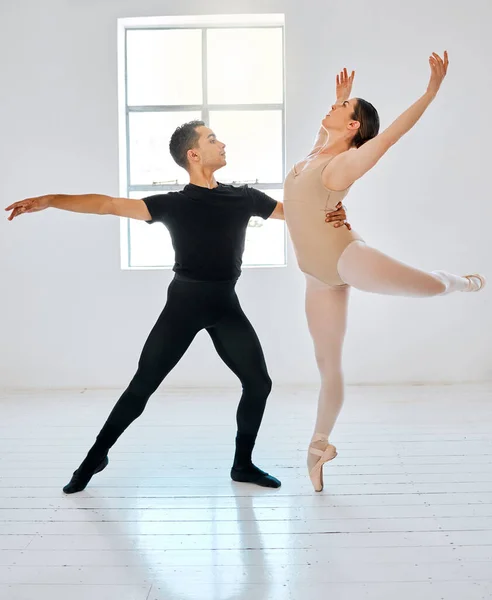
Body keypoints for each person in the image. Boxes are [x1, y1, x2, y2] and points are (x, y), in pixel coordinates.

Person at [5, 120, 349, 494]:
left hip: (225, 305)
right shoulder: (171, 204)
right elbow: (105, 205)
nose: (222, 143)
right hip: (184, 305)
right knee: (142, 387)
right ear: (194, 154)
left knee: (258, 383)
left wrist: (331, 213)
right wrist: (51, 200)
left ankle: (243, 464)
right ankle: (94, 459)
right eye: (213, 139)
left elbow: (297, 213)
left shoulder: (244, 198)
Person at [283, 52, 486, 492]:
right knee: (327, 365)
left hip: (345, 258)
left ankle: (459, 281)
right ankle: (319, 446)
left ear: (354, 126)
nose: (333, 109)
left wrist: (430, 93)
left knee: (427, 287)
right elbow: (319, 156)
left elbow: (390, 136)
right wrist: (339, 100)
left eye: (342, 109)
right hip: (316, 276)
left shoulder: (345, 163)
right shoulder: (317, 152)